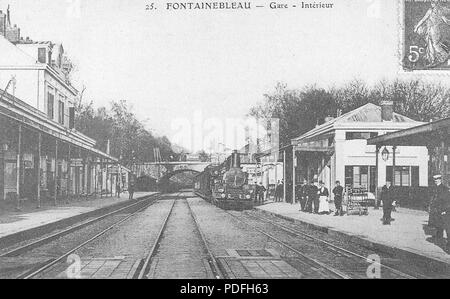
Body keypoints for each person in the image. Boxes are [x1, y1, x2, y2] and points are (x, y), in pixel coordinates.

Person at [429, 174, 449, 245]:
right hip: (436, 210)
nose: (436, 181)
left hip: (442, 211)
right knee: (438, 226)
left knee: (446, 227)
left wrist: (444, 210)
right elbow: (433, 199)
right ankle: (439, 240)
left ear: (440, 179)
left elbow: (447, 201)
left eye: (437, 179)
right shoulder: (434, 188)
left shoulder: (444, 188)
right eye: (434, 180)